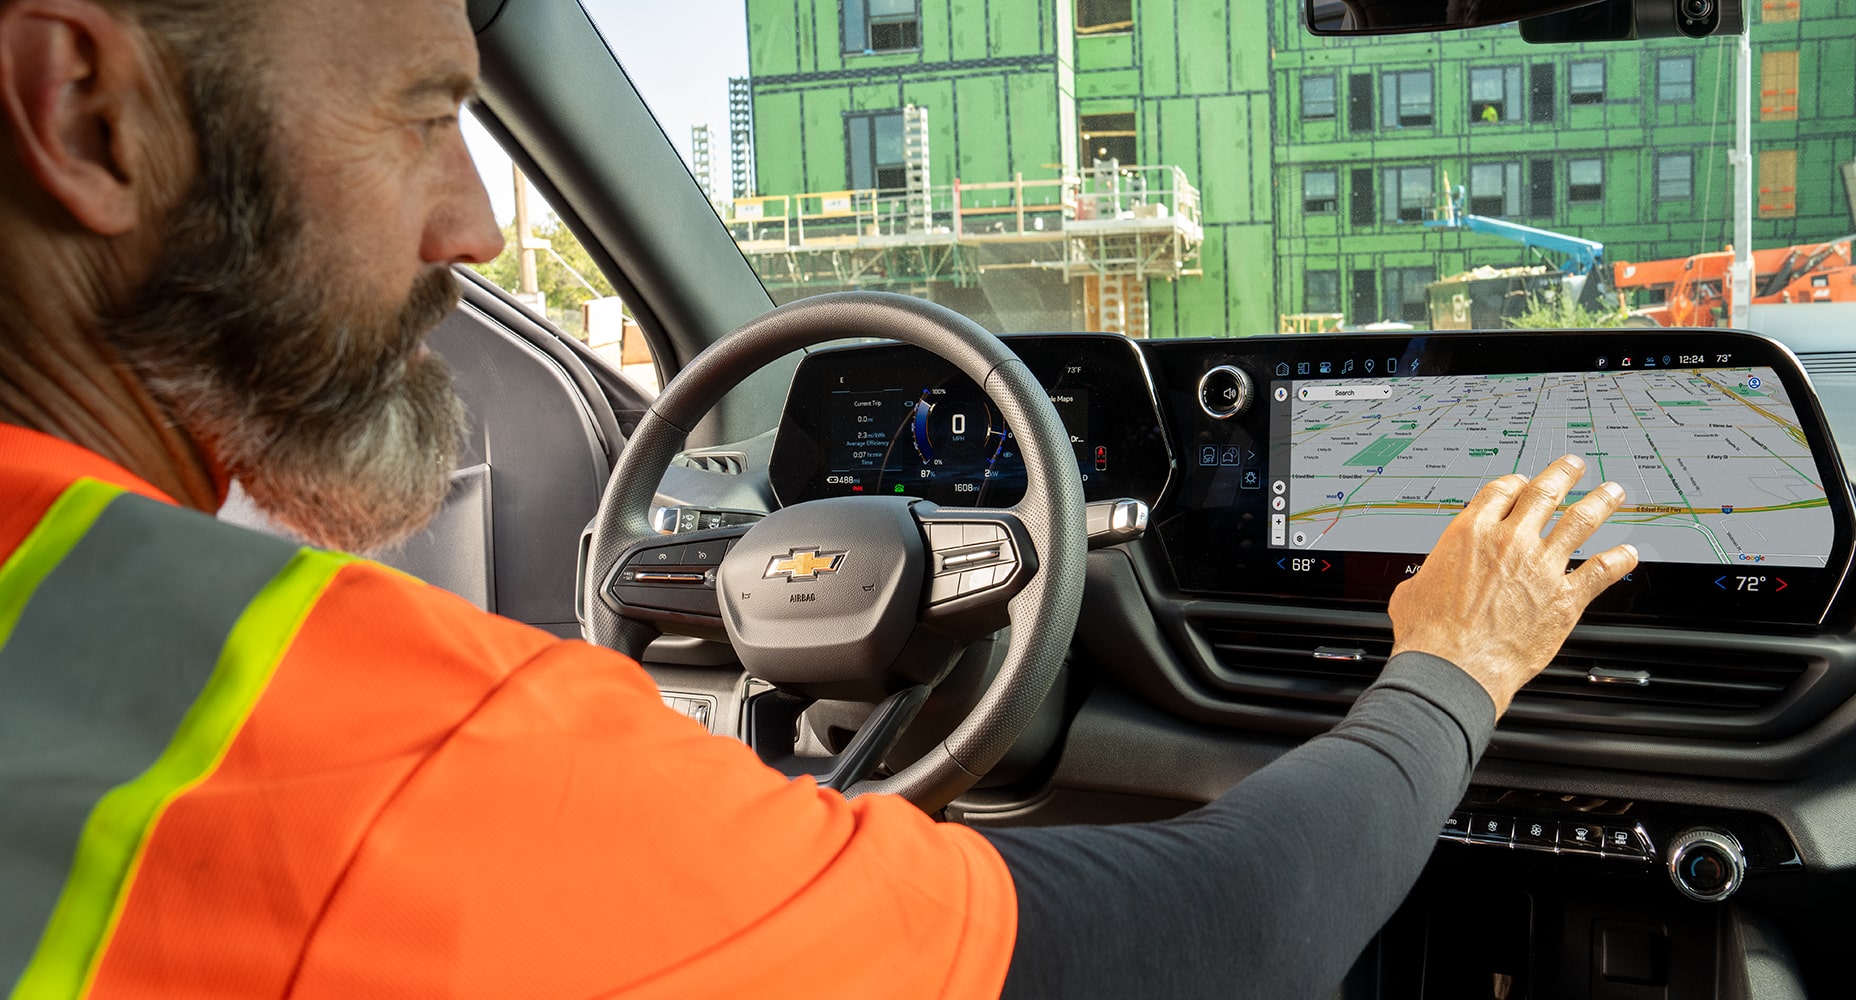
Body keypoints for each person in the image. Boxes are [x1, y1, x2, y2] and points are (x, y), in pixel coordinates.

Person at [0, 0, 1640, 997]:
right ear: (89, 112)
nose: (478, 224)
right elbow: (1230, 938)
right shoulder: (388, 756)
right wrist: (1456, 663)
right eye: (426, 117)